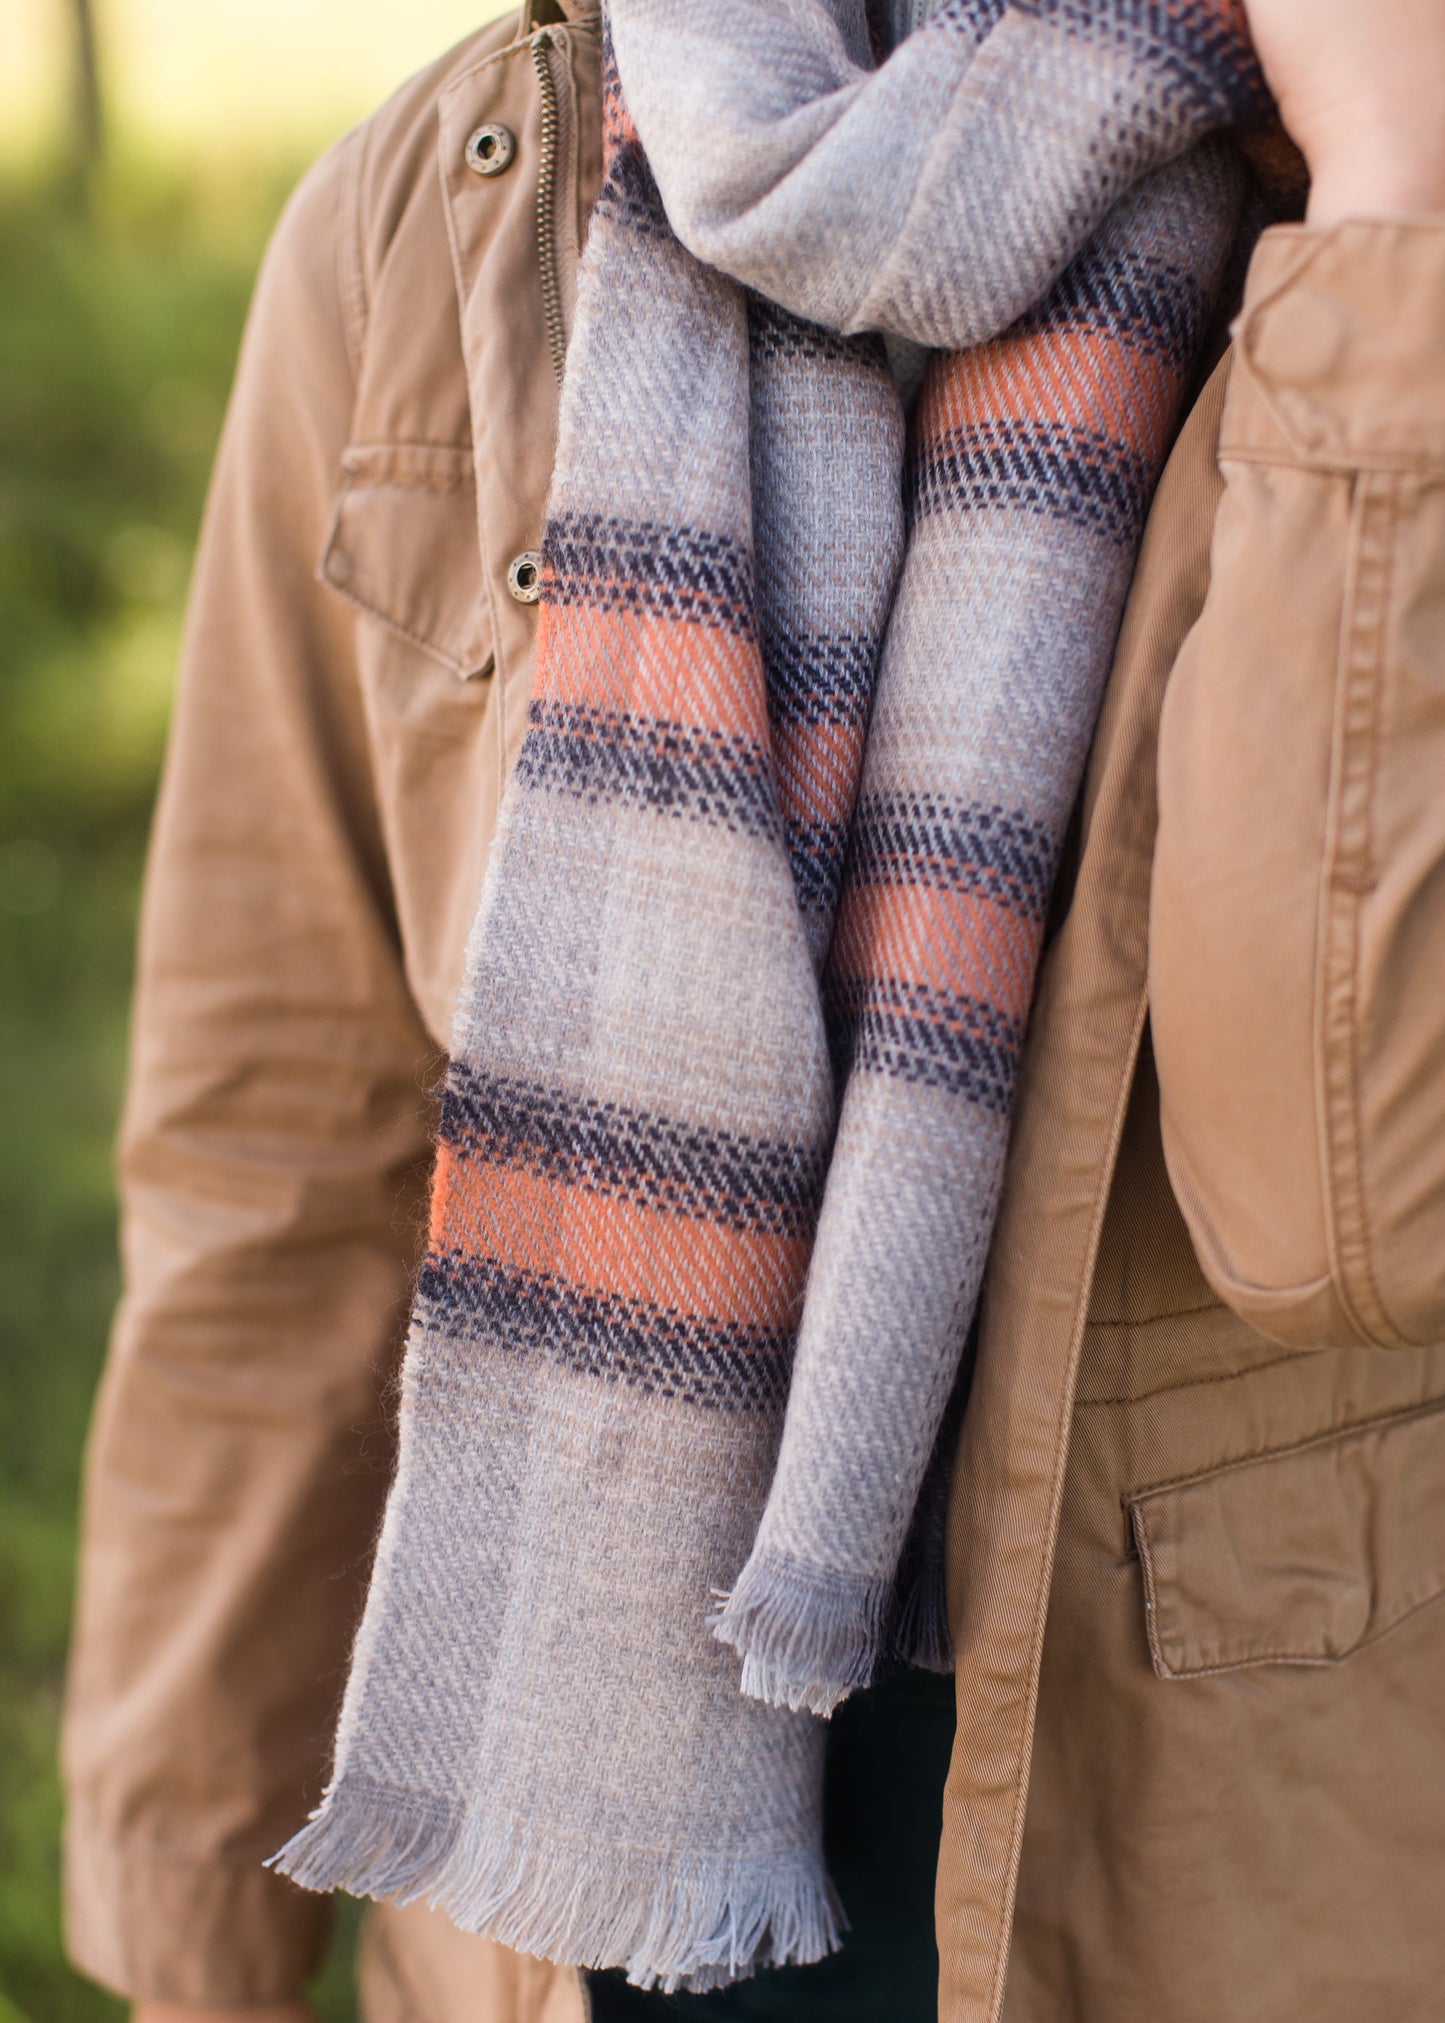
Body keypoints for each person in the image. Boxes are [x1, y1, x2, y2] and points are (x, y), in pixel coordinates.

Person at [60, 1, 1445, 2019]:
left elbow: (1350, 1204)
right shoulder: (435, 221)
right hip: (568, 1915)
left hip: (1195, 1908)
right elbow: (276, 1173)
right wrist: (199, 1944)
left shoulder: (1362, 193)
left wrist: (1399, 198)